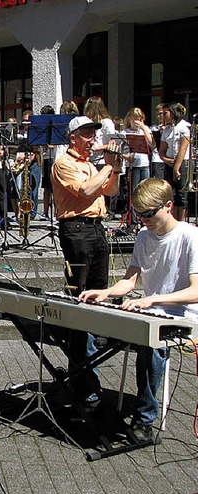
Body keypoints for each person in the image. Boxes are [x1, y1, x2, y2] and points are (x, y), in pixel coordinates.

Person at [80, 178, 198, 442]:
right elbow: (130, 280)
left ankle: (145, 419)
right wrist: (107, 292)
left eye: (149, 214)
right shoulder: (144, 236)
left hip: (184, 318)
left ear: (168, 206)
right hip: (151, 312)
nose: (144, 219)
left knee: (150, 344)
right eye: (139, 214)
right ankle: (92, 399)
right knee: (90, 326)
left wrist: (154, 300)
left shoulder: (190, 236)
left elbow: (196, 291)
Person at [51, 115, 122, 407]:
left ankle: (87, 365)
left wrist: (114, 169)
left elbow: (110, 191)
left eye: (93, 133)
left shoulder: (92, 164)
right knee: (79, 299)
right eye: (87, 134)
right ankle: (82, 375)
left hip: (95, 228)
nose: (92, 138)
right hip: (76, 230)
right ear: (73, 138)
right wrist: (107, 165)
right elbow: (86, 190)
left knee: (98, 294)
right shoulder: (64, 163)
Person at [122, 107, 155, 224]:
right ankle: (134, 218)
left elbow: (152, 144)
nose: (137, 122)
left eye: (140, 119)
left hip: (144, 164)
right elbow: (120, 150)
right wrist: (126, 157)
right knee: (134, 191)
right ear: (130, 119)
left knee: (146, 190)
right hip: (133, 165)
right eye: (135, 119)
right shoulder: (125, 132)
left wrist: (144, 129)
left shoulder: (145, 130)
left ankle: (145, 216)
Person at [159, 102, 190, 222]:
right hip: (169, 163)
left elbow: (183, 147)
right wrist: (167, 160)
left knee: (182, 194)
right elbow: (162, 150)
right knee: (169, 193)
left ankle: (181, 220)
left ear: (173, 113)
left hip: (183, 162)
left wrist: (176, 167)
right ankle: (171, 219)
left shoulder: (184, 127)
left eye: (165, 113)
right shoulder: (167, 129)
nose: (163, 116)